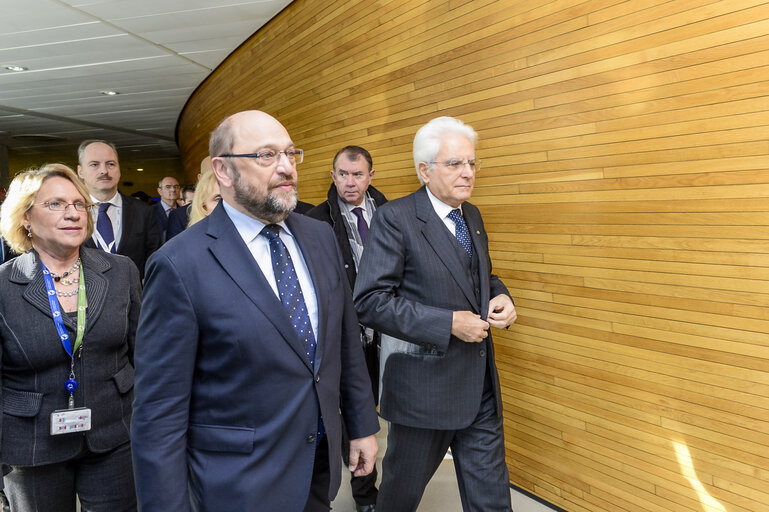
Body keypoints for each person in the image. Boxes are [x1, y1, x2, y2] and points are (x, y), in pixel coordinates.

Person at [131, 110, 379, 512]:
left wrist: (362, 426)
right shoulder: (179, 264)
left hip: (317, 468)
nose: (285, 168)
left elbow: (344, 340)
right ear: (223, 171)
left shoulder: (319, 236)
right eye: (266, 156)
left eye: (290, 154)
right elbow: (159, 410)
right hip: (238, 484)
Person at [354, 116, 518, 512]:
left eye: (472, 163)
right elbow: (371, 300)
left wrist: (502, 297)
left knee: (492, 501)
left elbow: (481, 276)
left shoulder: (472, 216)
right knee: (399, 499)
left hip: (479, 388)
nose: (468, 174)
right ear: (424, 171)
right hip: (423, 393)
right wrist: (447, 324)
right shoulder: (396, 218)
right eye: (455, 164)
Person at [0, 164, 141, 512]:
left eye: (80, 204)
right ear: (26, 217)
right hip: (31, 445)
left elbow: (143, 354)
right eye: (56, 204)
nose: (73, 213)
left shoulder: (121, 271)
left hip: (114, 434)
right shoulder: (3, 285)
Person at [307, 145, 387, 512]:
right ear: (332, 175)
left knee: (398, 413)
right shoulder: (315, 221)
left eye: (357, 175)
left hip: (392, 335)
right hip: (349, 336)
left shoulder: (392, 214)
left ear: (371, 176)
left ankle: (395, 482)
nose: (350, 182)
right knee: (356, 413)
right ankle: (365, 494)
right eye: (342, 174)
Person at [77, 139, 160, 278]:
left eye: (110, 164)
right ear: (80, 172)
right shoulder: (71, 212)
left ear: (119, 170)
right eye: (94, 165)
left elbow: (154, 256)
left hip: (133, 296)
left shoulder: (143, 211)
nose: (104, 171)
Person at [166, 157, 212, 240]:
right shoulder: (180, 216)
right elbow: (176, 250)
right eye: (211, 175)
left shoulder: (239, 210)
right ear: (200, 178)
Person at [153, 176, 181, 243]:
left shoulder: (184, 212)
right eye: (168, 187)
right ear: (160, 191)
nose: (173, 190)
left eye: (176, 186)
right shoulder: (150, 212)